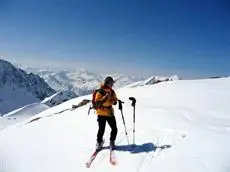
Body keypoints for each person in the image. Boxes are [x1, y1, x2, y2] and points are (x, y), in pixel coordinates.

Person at [94, 76, 118, 150]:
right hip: (109, 113)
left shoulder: (99, 91)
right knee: (114, 128)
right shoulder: (111, 91)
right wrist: (112, 101)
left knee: (101, 129)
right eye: (111, 83)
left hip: (100, 113)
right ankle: (112, 142)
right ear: (108, 83)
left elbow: (96, 102)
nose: (112, 84)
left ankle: (99, 143)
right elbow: (115, 101)